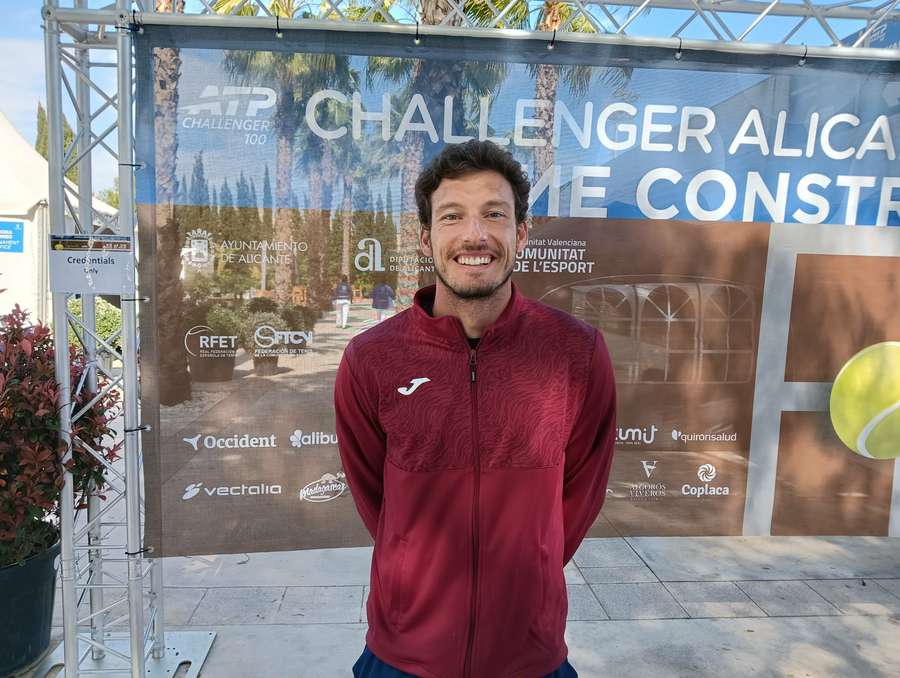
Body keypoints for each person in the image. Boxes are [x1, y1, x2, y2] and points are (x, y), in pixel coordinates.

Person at [334, 140, 616, 678]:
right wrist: (415, 567)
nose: (475, 235)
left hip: (531, 657)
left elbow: (579, 495)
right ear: (426, 239)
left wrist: (526, 575)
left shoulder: (577, 353)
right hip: (402, 658)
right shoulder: (371, 359)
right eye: (452, 216)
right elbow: (378, 500)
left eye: (495, 214)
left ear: (521, 234)